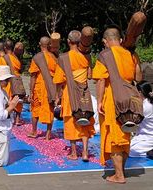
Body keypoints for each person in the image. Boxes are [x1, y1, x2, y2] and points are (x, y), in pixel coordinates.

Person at [92, 27, 142, 184]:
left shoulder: (105, 55)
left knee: (114, 138)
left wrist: (99, 101)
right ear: (120, 40)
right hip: (131, 99)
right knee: (125, 135)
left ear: (105, 42)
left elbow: (100, 80)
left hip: (113, 99)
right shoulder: (131, 54)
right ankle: (121, 170)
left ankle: (119, 175)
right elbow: (138, 77)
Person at [53, 30, 95, 161]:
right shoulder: (86, 57)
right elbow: (89, 75)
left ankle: (74, 153)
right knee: (84, 120)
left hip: (69, 93)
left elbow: (59, 80)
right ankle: (85, 152)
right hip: (84, 92)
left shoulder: (64, 57)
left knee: (71, 121)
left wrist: (57, 96)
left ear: (68, 41)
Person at [28, 36, 57, 140]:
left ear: (40, 44)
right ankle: (48, 134)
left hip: (39, 87)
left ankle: (34, 131)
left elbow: (33, 76)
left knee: (35, 108)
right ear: (49, 45)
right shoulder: (54, 57)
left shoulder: (37, 57)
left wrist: (31, 91)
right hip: (51, 87)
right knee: (50, 108)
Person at [130, 81, 153, 157]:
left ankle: (150, 153)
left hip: (148, 138)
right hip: (145, 136)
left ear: (139, 92)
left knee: (131, 152)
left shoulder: (146, 106)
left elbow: (133, 122)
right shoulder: (148, 103)